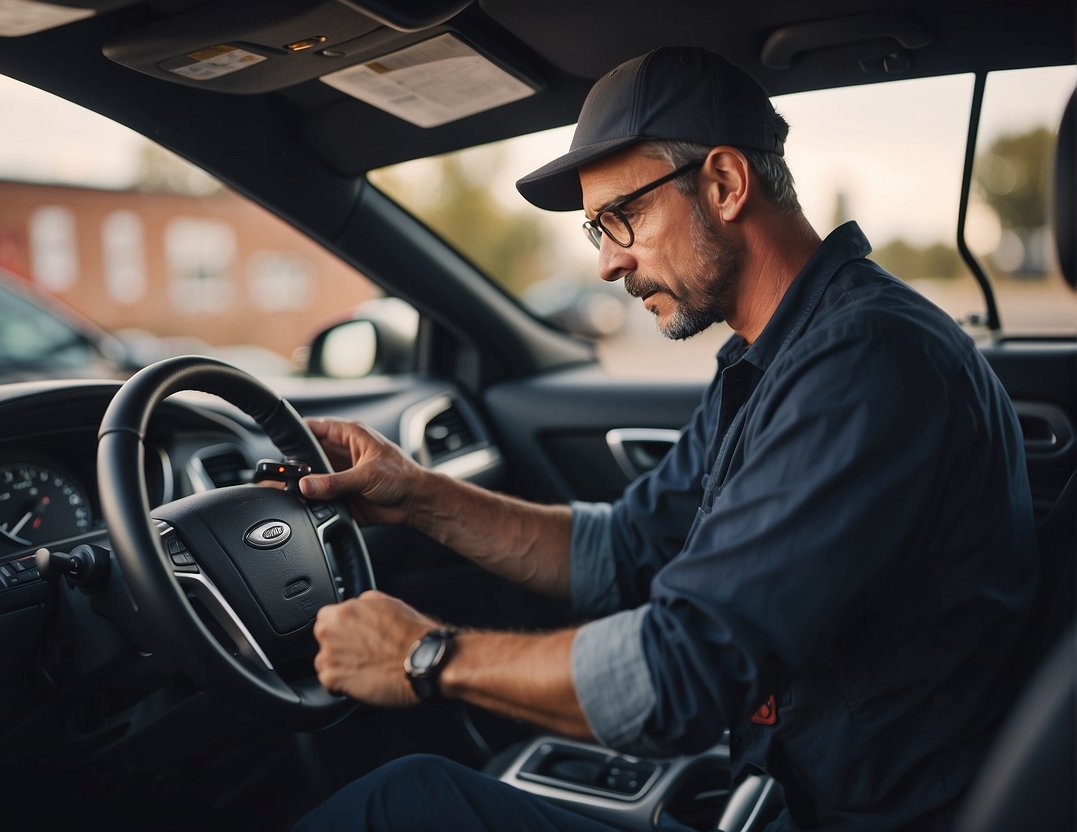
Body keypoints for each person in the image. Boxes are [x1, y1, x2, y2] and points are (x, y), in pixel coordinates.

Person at [290, 47, 1039, 831]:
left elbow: (681, 675)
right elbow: (623, 550)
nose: (610, 262)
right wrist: (420, 496)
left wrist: (424, 658)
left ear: (722, 185)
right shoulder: (775, 356)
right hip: (784, 796)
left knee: (397, 805)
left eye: (624, 217)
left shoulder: (866, 363)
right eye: (596, 230)